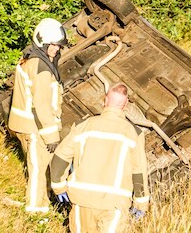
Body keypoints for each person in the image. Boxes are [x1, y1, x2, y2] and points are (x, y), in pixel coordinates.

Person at [50, 83, 150, 232]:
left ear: (104, 100)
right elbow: (139, 170)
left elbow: (60, 156)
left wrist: (59, 187)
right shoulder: (133, 133)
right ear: (126, 105)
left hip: (81, 199)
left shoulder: (83, 125)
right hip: (114, 204)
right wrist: (141, 203)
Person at [8, 18, 67, 216]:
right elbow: (41, 105)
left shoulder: (31, 58)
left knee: (39, 168)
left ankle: (42, 205)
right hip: (34, 128)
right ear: (42, 41)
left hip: (29, 126)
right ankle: (35, 214)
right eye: (54, 45)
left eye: (58, 46)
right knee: (37, 171)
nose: (56, 49)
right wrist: (51, 137)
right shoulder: (41, 67)